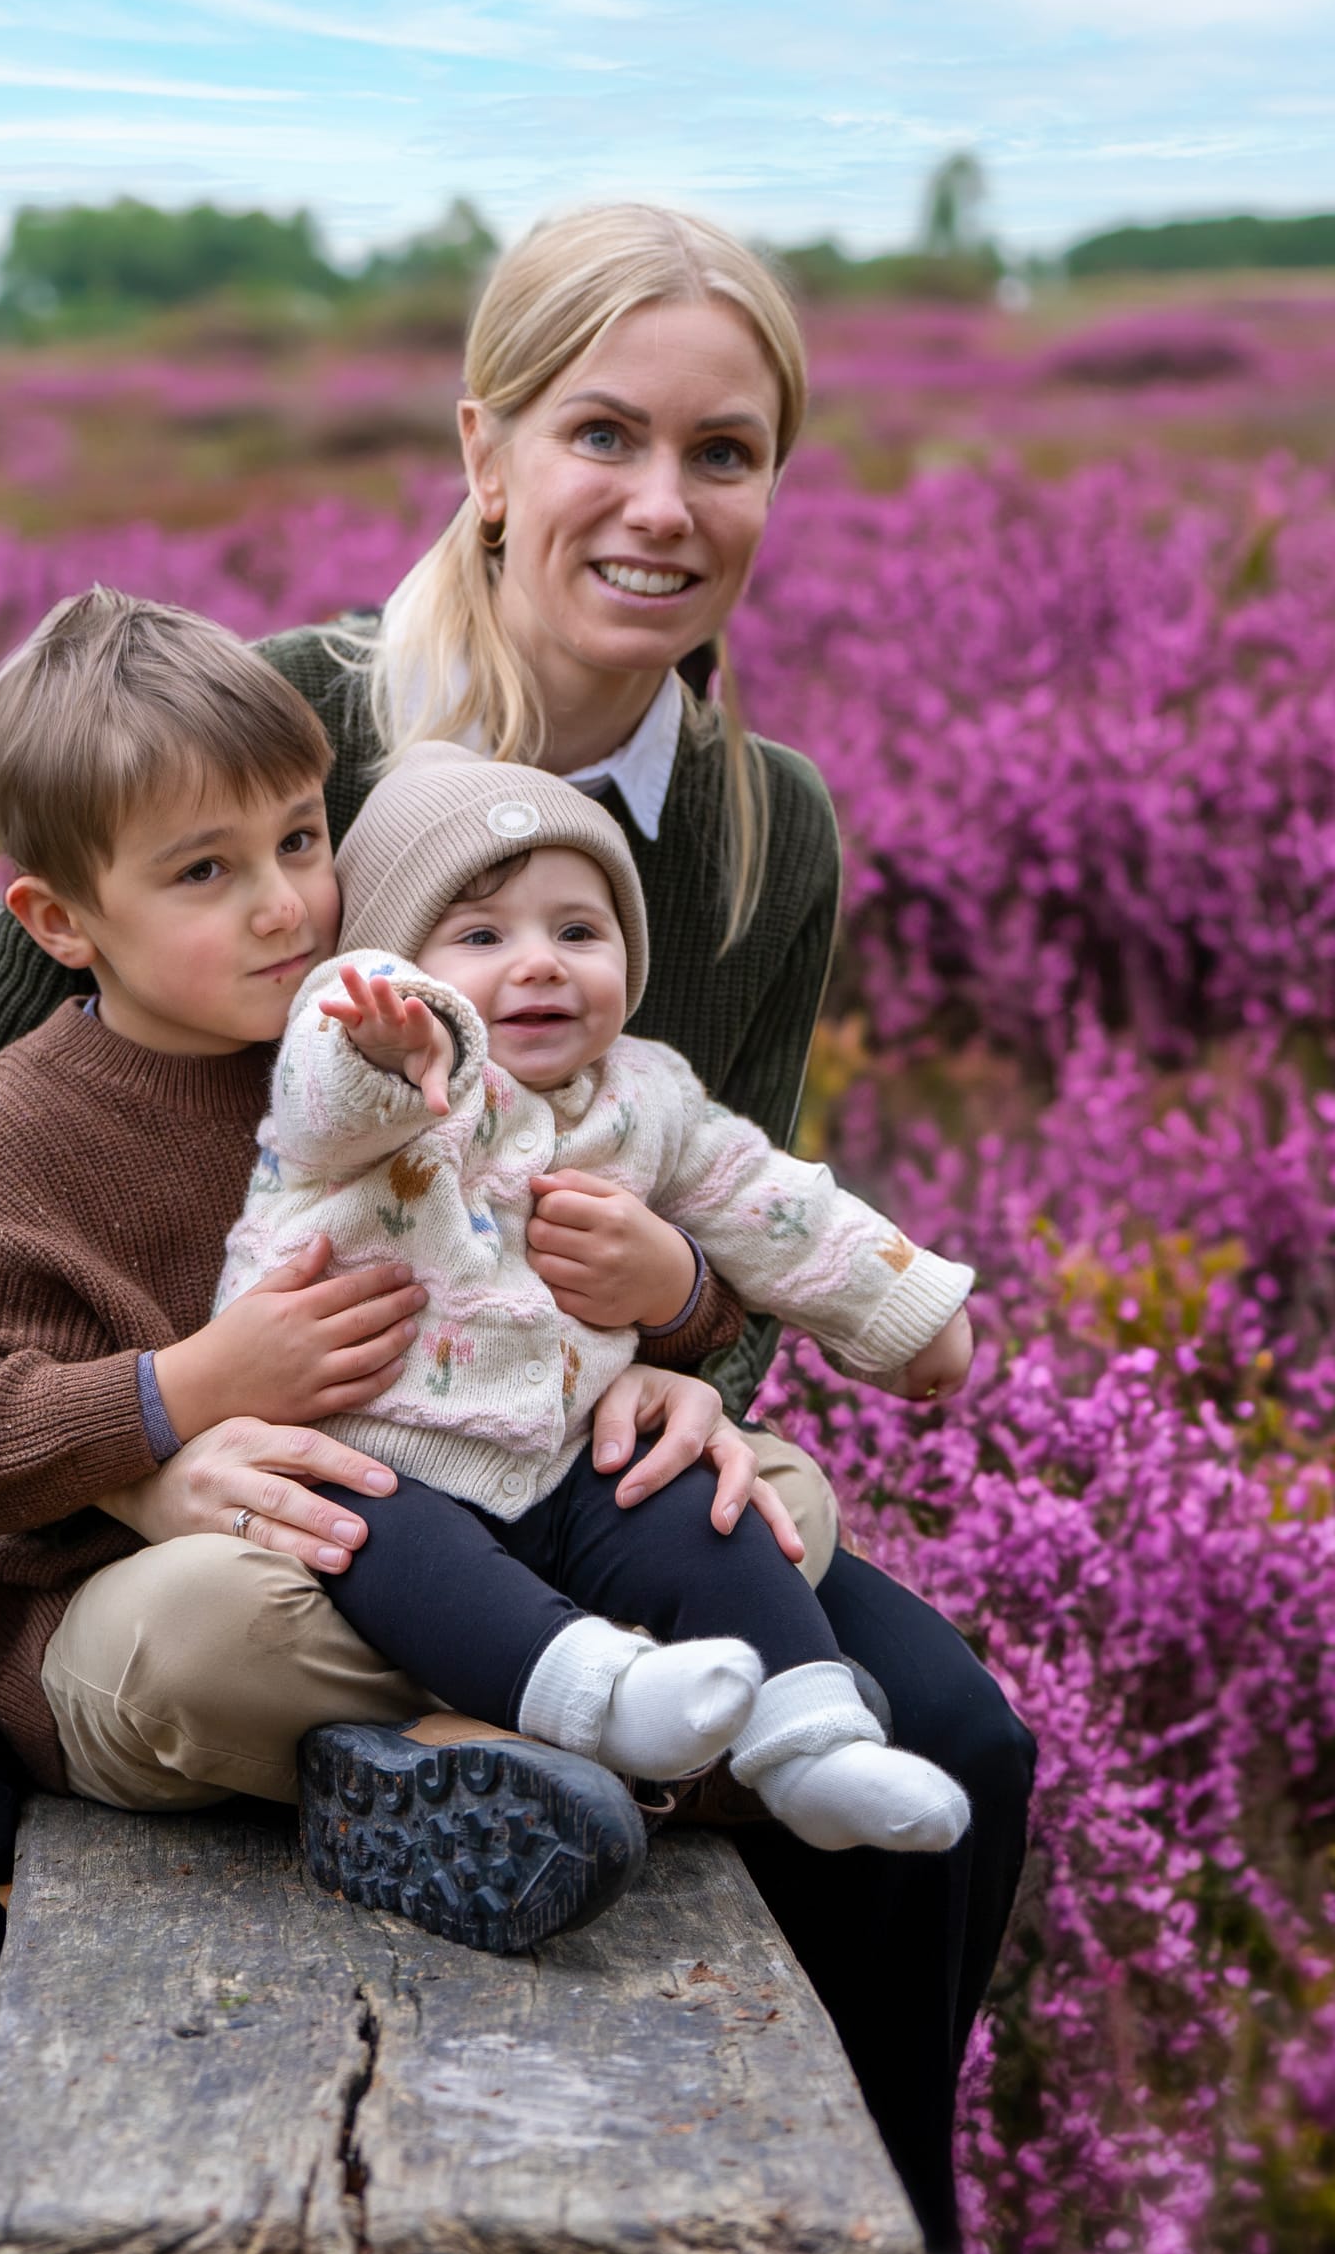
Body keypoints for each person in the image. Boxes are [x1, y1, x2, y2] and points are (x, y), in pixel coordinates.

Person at [0, 201, 1035, 2254]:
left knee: (958, 1746)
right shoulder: (267, 732)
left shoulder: (767, 837)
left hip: (535, 1459)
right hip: (160, 1429)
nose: (660, 505)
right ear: (483, 450)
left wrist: (685, 1336)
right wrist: (142, 1439)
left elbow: (730, 1212)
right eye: (601, 435)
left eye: (724, 453)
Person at [0, 590, 740, 1956]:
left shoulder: (407, 1045)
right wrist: (180, 1395)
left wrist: (678, 1326)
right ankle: (542, 1720)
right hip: (185, 1588)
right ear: (62, 920)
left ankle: (486, 1741)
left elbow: (579, 1265)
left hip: (461, 1518)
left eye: (302, 841)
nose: (285, 907)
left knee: (774, 1502)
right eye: (205, 873)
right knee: (209, 1634)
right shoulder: (19, 1135)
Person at [205, 740, 978, 1866]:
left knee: (704, 1519)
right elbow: (327, 1094)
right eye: (480, 935)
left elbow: (775, 1208)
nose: (539, 966)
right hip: (379, 1448)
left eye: (578, 931)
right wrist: (390, 1034)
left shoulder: (645, 1095)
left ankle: (814, 1743)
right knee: (385, 1542)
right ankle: (604, 1707)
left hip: (570, 1453)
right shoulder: (386, 1084)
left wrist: (904, 1317)